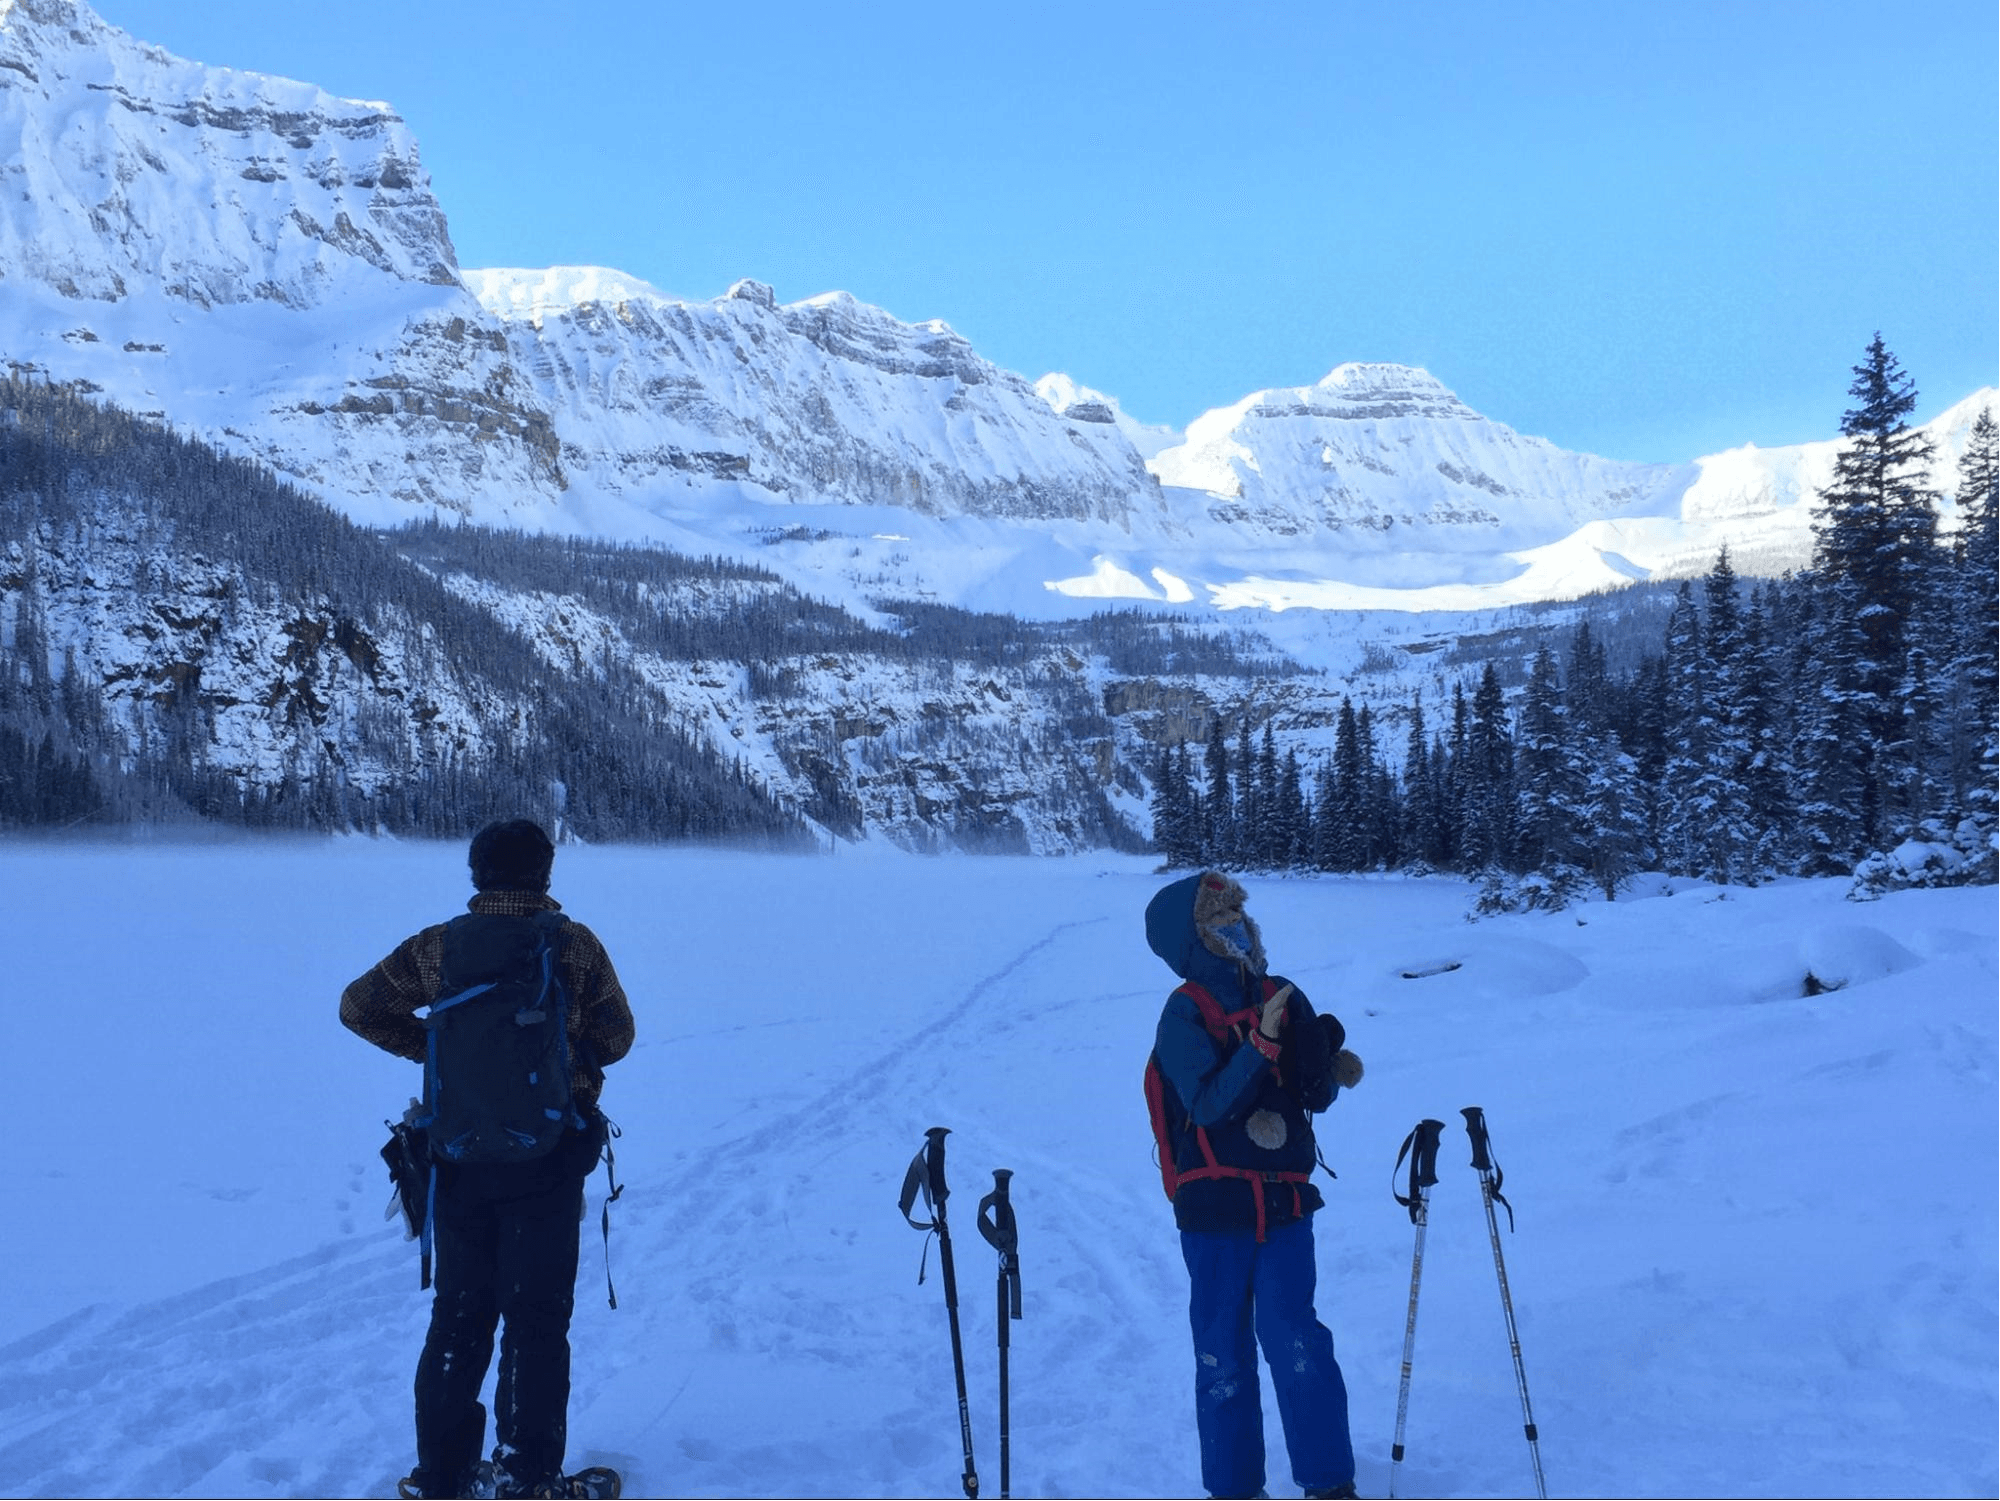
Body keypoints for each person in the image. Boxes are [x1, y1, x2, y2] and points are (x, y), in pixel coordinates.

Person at [342, 819, 635, 1501]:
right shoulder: (574, 943)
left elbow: (358, 1008)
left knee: (458, 1316)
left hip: (458, 1158)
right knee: (536, 1320)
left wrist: (444, 1054)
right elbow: (617, 1036)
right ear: (546, 872)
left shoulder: (436, 947)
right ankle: (526, 1477)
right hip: (549, 1159)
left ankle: (441, 1478)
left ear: (477, 874)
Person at [1145, 869, 1365, 1501]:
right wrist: (1264, 1043)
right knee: (1223, 1358)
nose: (1234, 927)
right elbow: (1209, 1105)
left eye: (1238, 914)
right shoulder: (1184, 1012)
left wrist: (1313, 1047)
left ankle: (1329, 1485)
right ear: (1191, 941)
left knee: (1300, 1342)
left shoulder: (1279, 990)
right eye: (1218, 920)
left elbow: (1313, 1097)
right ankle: (1235, 1489)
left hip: (1286, 1202)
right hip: (1215, 1211)